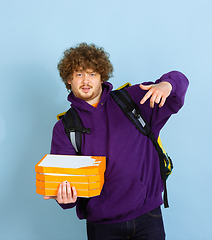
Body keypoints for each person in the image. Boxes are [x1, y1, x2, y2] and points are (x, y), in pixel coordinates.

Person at [45, 42, 189, 240]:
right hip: (103, 226)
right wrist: (66, 199)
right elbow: (66, 187)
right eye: (79, 74)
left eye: (92, 73)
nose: (86, 80)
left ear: (102, 76)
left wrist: (167, 85)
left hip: (148, 215)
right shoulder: (64, 127)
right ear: (69, 79)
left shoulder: (132, 100)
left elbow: (179, 83)